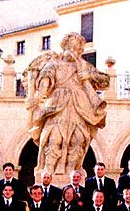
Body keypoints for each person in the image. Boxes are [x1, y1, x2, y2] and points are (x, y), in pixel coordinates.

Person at [27, 32, 110, 175]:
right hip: (57, 105)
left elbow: (105, 81)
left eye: (77, 47)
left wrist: (89, 75)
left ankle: (72, 172)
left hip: (80, 106)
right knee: (54, 138)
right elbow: (44, 83)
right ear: (64, 46)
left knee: (78, 140)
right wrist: (36, 98)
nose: (73, 50)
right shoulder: (53, 64)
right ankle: (49, 172)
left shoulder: (84, 66)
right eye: (70, 46)